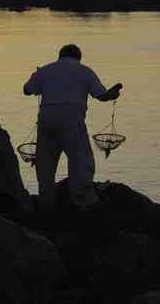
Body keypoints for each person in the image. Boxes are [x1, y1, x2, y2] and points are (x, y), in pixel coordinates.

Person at [23, 44, 122, 213]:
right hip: (71, 119)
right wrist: (113, 93)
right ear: (78, 57)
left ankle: (46, 205)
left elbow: (27, 90)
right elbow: (102, 96)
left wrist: (35, 75)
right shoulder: (84, 71)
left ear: (60, 56)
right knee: (80, 161)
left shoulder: (45, 70)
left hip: (47, 118)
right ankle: (83, 202)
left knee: (45, 164)